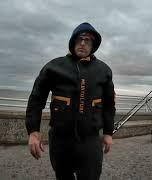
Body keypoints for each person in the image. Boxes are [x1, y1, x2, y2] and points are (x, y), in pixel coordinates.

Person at [25, 22, 116, 180]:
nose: (82, 43)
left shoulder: (104, 70)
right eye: (79, 39)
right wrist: (33, 131)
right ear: (73, 41)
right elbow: (36, 99)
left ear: (93, 45)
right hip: (60, 139)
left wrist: (108, 133)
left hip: (90, 139)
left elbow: (109, 105)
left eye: (87, 40)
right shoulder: (53, 67)